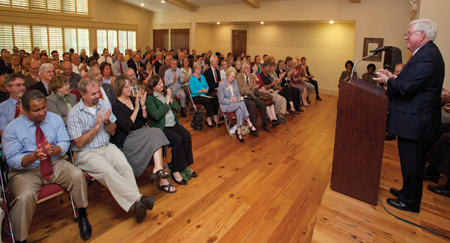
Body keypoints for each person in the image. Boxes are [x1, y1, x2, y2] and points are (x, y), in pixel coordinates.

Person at [374, 19, 445, 213]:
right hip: (414, 119)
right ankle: (407, 192)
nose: (406, 36)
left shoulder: (426, 57)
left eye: (409, 33)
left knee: (413, 162)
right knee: (409, 162)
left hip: (416, 121)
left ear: (421, 35)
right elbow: (410, 82)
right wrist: (393, 77)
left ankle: (410, 201)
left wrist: (389, 81)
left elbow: (406, 88)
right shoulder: (424, 54)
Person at [2, 90, 91, 242]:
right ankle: (20, 239)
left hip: (55, 162)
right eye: (36, 110)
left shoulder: (54, 119)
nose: (42, 112)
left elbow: (64, 142)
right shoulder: (12, 129)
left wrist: (55, 149)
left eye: (44, 107)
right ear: (24, 109)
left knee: (77, 175)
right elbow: (11, 159)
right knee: (24, 197)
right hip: (25, 172)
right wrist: (33, 156)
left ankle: (82, 214)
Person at [67, 78, 155, 223]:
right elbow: (79, 143)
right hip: (87, 153)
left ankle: (136, 204)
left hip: (106, 146)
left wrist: (107, 122)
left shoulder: (103, 103)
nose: (97, 96)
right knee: (109, 172)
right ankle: (139, 200)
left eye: (98, 92)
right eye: (93, 94)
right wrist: (96, 126)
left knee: (125, 167)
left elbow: (113, 131)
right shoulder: (74, 114)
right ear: (83, 94)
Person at [111, 75, 174, 192]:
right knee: (156, 135)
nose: (130, 88)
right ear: (120, 89)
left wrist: (143, 106)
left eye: (130, 85)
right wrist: (136, 109)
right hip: (127, 137)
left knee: (157, 133)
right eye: (127, 86)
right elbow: (127, 126)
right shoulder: (116, 106)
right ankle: (162, 177)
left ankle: (158, 169)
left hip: (140, 131)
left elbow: (143, 120)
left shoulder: (132, 99)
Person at [146, 75, 197, 185]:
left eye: (161, 82)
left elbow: (177, 108)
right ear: (153, 87)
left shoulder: (165, 93)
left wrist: (170, 98)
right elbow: (156, 115)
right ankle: (176, 171)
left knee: (187, 135)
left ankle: (186, 166)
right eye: (159, 84)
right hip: (162, 127)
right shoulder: (150, 99)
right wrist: (166, 103)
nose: (162, 85)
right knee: (177, 139)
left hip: (173, 123)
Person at [219, 67, 259, 142]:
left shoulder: (234, 82)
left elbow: (237, 94)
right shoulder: (222, 85)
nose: (233, 79)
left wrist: (237, 98)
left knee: (240, 109)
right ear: (227, 75)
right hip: (226, 105)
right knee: (241, 103)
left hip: (236, 103)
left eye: (234, 77)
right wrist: (231, 100)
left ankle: (239, 132)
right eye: (232, 77)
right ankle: (249, 122)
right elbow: (222, 100)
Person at [236, 61, 271, 132]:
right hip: (243, 98)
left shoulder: (252, 77)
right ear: (242, 69)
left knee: (262, 104)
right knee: (252, 104)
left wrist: (255, 89)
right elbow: (240, 91)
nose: (248, 69)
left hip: (252, 96)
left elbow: (256, 92)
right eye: (246, 68)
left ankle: (264, 124)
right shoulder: (238, 78)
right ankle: (253, 126)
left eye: (249, 68)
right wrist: (249, 87)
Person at [188, 62, 219, 127]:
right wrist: (202, 90)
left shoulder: (202, 77)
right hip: (196, 96)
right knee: (209, 100)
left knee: (215, 98)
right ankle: (208, 118)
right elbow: (193, 91)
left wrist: (206, 90)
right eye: (198, 69)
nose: (200, 70)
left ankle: (215, 116)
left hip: (204, 94)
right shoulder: (192, 79)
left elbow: (207, 86)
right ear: (195, 69)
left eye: (200, 69)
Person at [385, 63, 406, 141]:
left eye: (398, 71)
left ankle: (392, 133)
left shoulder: (405, 79)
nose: (396, 73)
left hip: (399, 102)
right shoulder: (396, 78)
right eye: (395, 71)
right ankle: (390, 132)